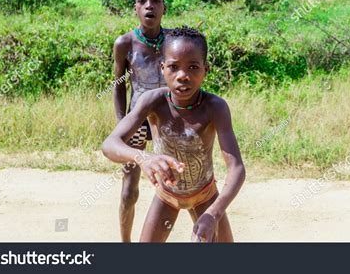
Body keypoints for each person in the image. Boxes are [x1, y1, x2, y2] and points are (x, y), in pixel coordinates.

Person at [102, 27, 246, 242]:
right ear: (162, 68)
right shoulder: (153, 102)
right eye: (173, 67)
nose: (183, 76)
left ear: (205, 69)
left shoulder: (215, 107)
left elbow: (237, 168)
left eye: (193, 67)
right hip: (167, 196)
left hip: (206, 197)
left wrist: (213, 214)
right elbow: (110, 144)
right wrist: (143, 157)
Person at [112, 0, 168, 242]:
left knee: (174, 182)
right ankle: (125, 245)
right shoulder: (125, 43)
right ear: (135, 8)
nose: (149, 6)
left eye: (155, 0)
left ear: (164, 8)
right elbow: (118, 85)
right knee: (129, 190)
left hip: (168, 119)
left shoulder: (173, 42)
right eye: (142, 1)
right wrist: (121, 124)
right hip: (137, 119)